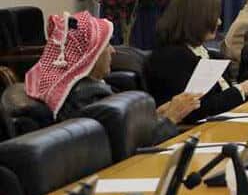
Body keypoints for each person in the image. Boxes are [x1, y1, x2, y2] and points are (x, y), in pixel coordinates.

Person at [24, 11, 197, 142]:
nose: (113, 51)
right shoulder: (88, 97)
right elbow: (132, 147)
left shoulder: (78, 90)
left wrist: (156, 115)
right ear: (90, 56)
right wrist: (171, 118)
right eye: (107, 45)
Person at [146, 0, 248, 125]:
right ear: (196, 19)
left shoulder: (205, 53)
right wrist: (241, 90)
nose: (219, 22)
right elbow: (195, 109)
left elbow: (221, 97)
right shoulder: (170, 58)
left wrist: (246, 88)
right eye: (214, 17)